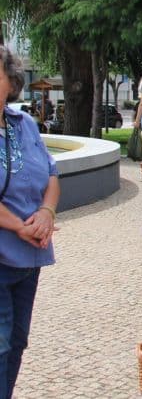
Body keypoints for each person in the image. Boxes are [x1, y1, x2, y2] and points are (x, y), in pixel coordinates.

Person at [0, 45, 60, 398]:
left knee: (17, 340)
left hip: (29, 257)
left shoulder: (23, 124)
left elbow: (51, 174)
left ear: (10, 80)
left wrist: (47, 213)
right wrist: (19, 225)